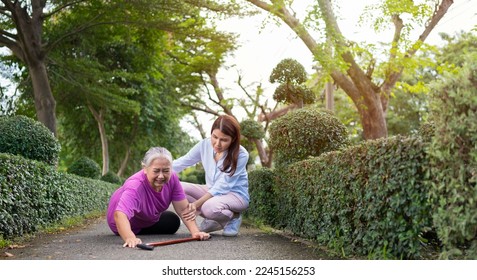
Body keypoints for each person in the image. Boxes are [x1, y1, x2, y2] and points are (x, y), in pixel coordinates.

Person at [107, 147, 210, 248]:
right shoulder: (135, 186)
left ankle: (144, 226)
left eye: (166, 171)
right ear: (145, 169)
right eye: (156, 171)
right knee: (164, 222)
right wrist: (130, 237)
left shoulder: (173, 178)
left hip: (146, 218)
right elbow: (120, 215)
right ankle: (131, 231)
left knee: (172, 221)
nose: (161, 176)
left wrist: (196, 232)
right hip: (122, 222)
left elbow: (183, 209)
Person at [172, 115, 250, 237]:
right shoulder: (204, 145)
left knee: (209, 207)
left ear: (233, 139)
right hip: (211, 190)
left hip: (236, 195)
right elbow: (183, 161)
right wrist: (153, 170)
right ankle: (215, 218)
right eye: (214, 137)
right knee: (178, 187)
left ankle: (233, 216)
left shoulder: (241, 154)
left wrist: (197, 204)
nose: (217, 143)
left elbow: (223, 185)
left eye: (224, 140)